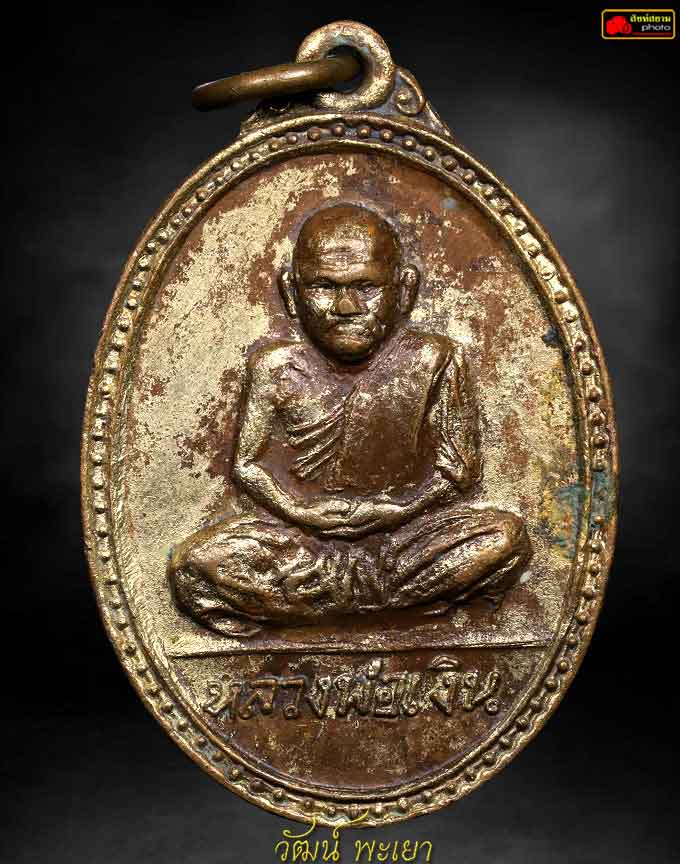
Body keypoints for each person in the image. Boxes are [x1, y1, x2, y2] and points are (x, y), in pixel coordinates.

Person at [169, 203, 530, 635]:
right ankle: (399, 609)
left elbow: (460, 473)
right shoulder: (275, 366)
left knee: (505, 538)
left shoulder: (434, 359)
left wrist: (397, 510)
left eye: (366, 286)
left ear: (405, 290)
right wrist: (301, 512)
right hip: (303, 545)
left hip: (405, 543)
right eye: (323, 286)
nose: (346, 306)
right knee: (194, 564)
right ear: (291, 293)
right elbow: (246, 465)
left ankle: (318, 609)